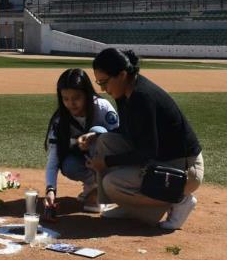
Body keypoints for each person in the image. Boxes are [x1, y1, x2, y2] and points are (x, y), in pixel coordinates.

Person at [84, 48, 204, 230]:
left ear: (122, 74)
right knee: (105, 141)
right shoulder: (125, 92)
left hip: (184, 170)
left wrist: (106, 162)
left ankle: (179, 200)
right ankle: (130, 208)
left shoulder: (142, 97)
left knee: (113, 183)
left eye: (104, 82)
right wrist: (97, 135)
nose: (103, 89)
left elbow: (147, 151)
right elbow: (127, 130)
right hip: (162, 160)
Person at [44, 68, 120, 213]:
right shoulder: (60, 120)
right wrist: (50, 190)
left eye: (76, 98)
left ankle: (106, 189)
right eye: (65, 99)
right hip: (85, 160)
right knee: (68, 165)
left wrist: (95, 136)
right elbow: (53, 158)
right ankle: (93, 185)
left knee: (98, 131)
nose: (71, 104)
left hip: (110, 162)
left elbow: (120, 140)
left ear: (87, 94)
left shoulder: (103, 108)